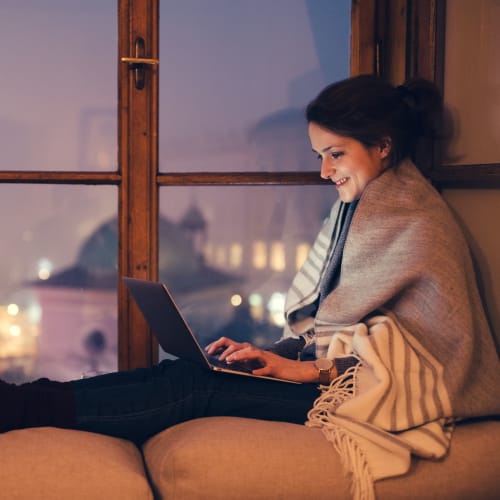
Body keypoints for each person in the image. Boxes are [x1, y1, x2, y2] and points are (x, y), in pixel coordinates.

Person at [2, 75, 500, 499]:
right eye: (319, 154)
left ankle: (20, 407)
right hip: (332, 377)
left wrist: (298, 373)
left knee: (193, 385)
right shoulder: (366, 210)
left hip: (368, 398)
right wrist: (270, 355)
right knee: (192, 369)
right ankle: (25, 399)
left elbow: (422, 365)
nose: (324, 170)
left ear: (383, 146)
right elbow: (344, 328)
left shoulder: (415, 222)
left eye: (335, 154)